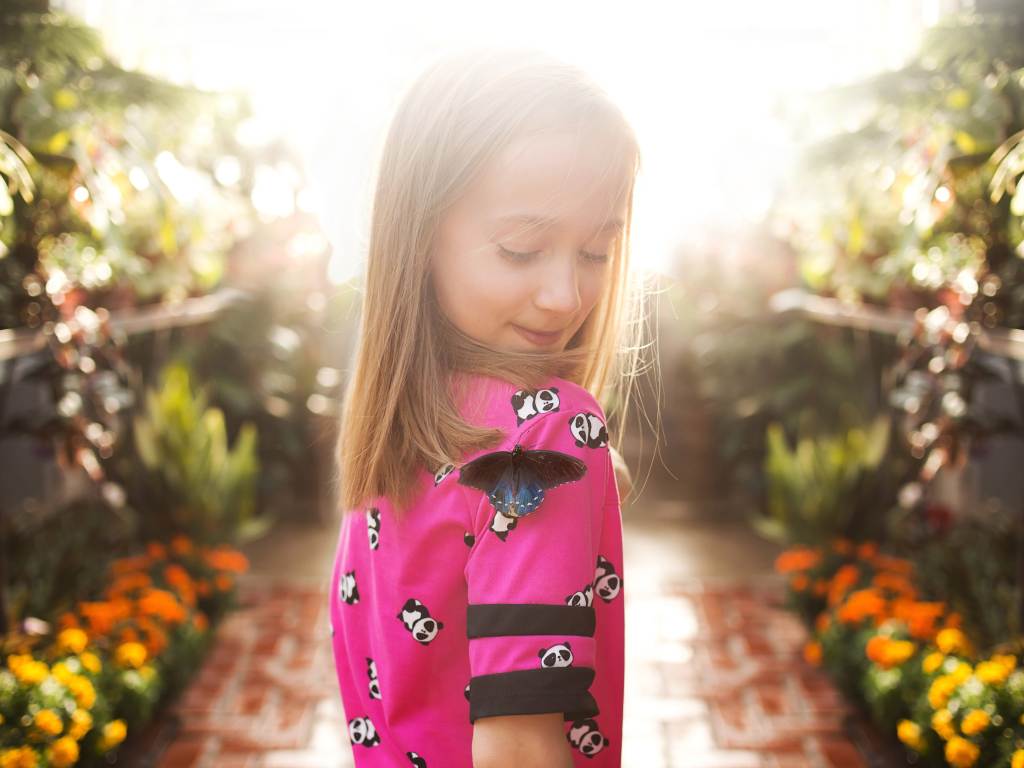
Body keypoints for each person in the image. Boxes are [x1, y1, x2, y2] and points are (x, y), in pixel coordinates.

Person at [328, 45, 648, 767]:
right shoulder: (551, 430)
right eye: (521, 249)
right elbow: (522, 749)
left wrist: (588, 486)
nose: (566, 296)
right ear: (420, 240)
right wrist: (574, 454)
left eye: (597, 253)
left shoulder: (397, 433)